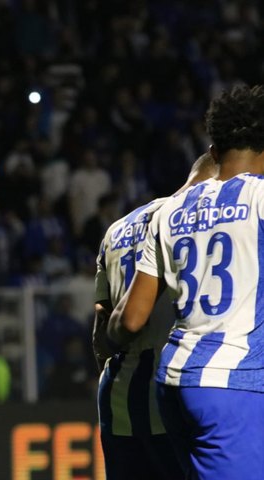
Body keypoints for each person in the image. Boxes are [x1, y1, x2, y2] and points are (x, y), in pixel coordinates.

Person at [105, 85, 264, 479]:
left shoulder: (170, 210)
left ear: (213, 151)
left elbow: (130, 319)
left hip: (174, 383)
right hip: (234, 383)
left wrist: (102, 332)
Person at [93, 153, 217, 480]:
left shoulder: (116, 230)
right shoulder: (195, 223)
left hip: (117, 400)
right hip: (174, 397)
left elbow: (100, 332)